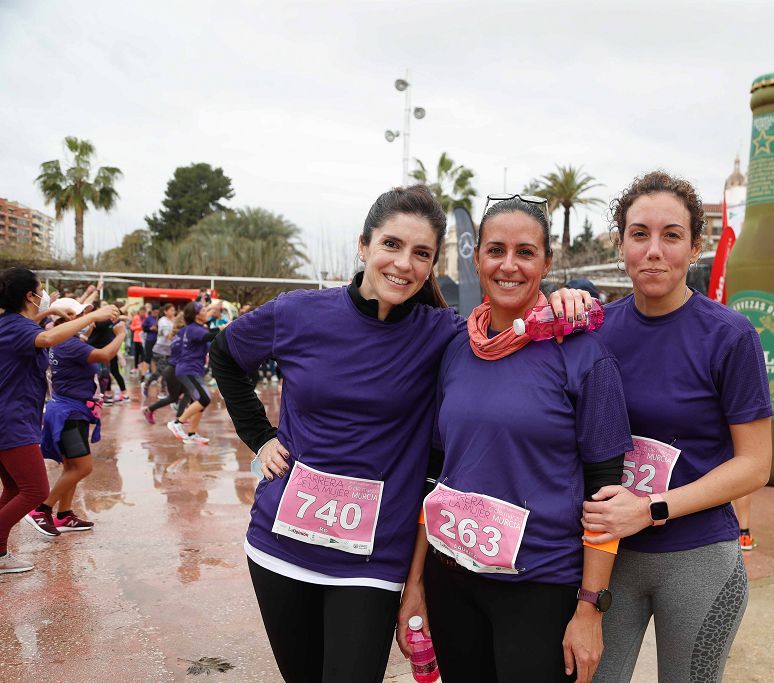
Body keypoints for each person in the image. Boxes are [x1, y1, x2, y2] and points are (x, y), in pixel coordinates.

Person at [209, 185, 591, 683]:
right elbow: (225, 355)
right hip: (282, 545)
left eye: (421, 253)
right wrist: (259, 436)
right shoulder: (298, 313)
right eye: (391, 244)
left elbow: (505, 323)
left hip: (373, 559)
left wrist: (565, 300)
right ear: (364, 245)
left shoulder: (444, 334)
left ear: (432, 264)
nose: (403, 263)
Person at [404, 195, 632, 683]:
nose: (509, 265)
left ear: (547, 263)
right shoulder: (456, 349)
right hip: (453, 579)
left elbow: (605, 494)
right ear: (477, 258)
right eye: (496, 250)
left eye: (525, 252)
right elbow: (436, 476)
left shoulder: (584, 355)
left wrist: (591, 608)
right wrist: (416, 582)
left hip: (540, 585)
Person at [580, 171, 773, 683]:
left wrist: (649, 509)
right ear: (620, 243)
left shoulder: (730, 337)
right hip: (608, 556)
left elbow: (755, 465)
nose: (654, 251)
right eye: (639, 234)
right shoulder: (595, 330)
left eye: (671, 235)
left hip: (698, 557)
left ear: (694, 245)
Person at [0, 267, 118, 574]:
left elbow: (36, 328)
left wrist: (50, 308)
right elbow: (48, 336)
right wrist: (93, 316)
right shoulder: (21, 328)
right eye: (41, 291)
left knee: (14, 489)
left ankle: (5, 546)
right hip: (12, 421)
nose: (44, 296)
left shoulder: (11, 323)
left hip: (14, 417)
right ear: (29, 295)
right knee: (36, 491)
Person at [26, 302, 126, 536]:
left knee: (71, 467)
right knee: (83, 467)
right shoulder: (70, 344)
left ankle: (64, 515)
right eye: (80, 313)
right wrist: (120, 335)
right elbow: (104, 355)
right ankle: (42, 510)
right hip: (70, 413)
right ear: (67, 317)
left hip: (65, 410)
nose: (86, 316)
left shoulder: (58, 339)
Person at [166, 302, 220, 445]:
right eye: (203, 310)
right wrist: (224, 328)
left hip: (193, 369)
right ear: (196, 315)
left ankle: (191, 434)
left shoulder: (194, 328)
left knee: (198, 403)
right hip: (188, 370)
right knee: (204, 399)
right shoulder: (195, 329)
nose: (206, 312)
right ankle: (177, 423)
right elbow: (209, 336)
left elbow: (209, 336)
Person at [144, 303, 177, 398]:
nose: (173, 312)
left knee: (167, 371)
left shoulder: (175, 321)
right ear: (165, 311)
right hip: (160, 350)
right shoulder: (163, 321)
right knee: (162, 371)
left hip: (170, 350)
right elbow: (168, 336)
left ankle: (162, 390)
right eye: (170, 310)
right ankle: (148, 384)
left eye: (173, 310)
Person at [129, 308, 145, 376]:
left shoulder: (146, 317)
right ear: (139, 311)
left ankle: (142, 367)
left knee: (143, 354)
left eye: (144, 312)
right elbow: (131, 327)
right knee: (136, 354)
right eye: (141, 311)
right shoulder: (135, 317)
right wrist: (139, 327)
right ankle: (135, 367)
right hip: (136, 338)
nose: (142, 313)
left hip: (144, 339)